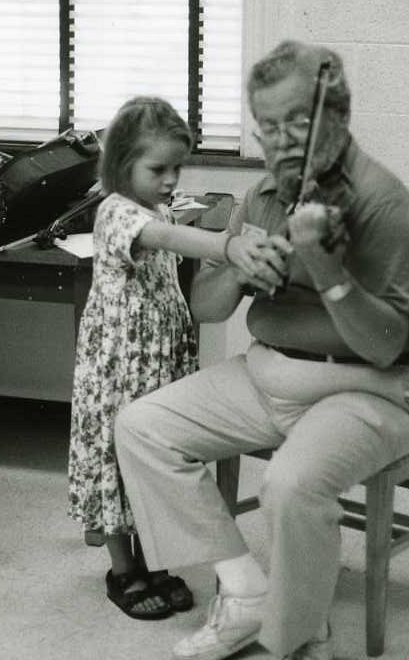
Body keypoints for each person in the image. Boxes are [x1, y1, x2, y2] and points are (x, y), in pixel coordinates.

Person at [113, 42, 409, 660]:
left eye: (296, 121)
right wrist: (235, 266)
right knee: (140, 426)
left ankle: (303, 639)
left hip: (376, 390)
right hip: (270, 375)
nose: (278, 141)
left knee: (291, 483)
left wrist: (327, 271)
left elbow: (385, 347)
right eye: (265, 125)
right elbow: (208, 308)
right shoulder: (262, 196)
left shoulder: (385, 207)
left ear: (338, 115)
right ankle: (242, 592)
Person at [68, 96, 263, 621]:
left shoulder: (153, 206)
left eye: (178, 167)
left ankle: (153, 563)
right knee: (116, 461)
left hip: (157, 364)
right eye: (158, 168)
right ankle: (122, 570)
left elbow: (169, 229)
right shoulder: (115, 212)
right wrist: (226, 245)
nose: (171, 178)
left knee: (151, 462)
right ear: (121, 162)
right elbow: (166, 237)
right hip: (119, 368)